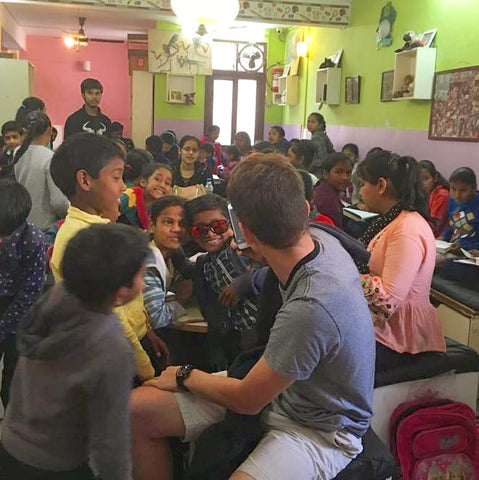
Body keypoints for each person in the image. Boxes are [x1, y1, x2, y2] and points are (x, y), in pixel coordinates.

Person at [130, 154, 375, 480]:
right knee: (135, 411)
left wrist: (184, 374)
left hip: (321, 428)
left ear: (243, 231)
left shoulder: (311, 305)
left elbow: (247, 399)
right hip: (281, 391)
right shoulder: (320, 238)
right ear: (304, 208)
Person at [0, 223, 149, 480]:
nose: (144, 281)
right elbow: (111, 439)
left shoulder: (57, 294)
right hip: (56, 464)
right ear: (120, 290)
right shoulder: (112, 346)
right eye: (141, 274)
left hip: (11, 443)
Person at [49, 133, 168, 382]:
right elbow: (115, 320)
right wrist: (147, 372)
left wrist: (146, 331)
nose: (124, 187)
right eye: (116, 177)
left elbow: (127, 306)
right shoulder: (85, 240)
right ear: (85, 180)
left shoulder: (100, 226)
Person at [356, 150, 446, 372]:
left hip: (402, 339)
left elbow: (387, 298)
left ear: (381, 185)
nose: (360, 191)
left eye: (362, 184)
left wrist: (343, 275)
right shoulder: (393, 221)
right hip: (388, 328)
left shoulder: (406, 229)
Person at [186, 194, 259, 367]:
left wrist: (246, 282)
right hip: (237, 340)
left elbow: (279, 273)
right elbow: (212, 313)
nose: (210, 234)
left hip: (268, 331)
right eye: (200, 230)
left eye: (219, 226)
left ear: (231, 223)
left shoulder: (247, 249)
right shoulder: (204, 264)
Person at [0, 180, 46, 408]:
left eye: (5, 236)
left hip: (18, 309)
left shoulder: (33, 240)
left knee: (13, 378)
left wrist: (3, 328)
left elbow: (30, 292)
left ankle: (11, 429)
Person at [11, 111, 69, 230]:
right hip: (46, 227)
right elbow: (58, 203)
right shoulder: (49, 157)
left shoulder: (18, 152)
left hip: (24, 225)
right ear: (50, 130)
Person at [143, 196, 191, 330]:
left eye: (182, 223)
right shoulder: (149, 262)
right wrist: (180, 301)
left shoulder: (173, 255)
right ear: (152, 225)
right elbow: (157, 319)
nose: (176, 229)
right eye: (168, 222)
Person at [119, 154, 173, 230]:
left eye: (167, 183)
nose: (162, 185)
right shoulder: (129, 196)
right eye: (157, 179)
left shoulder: (160, 209)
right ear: (143, 182)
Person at [438, 167, 479, 251]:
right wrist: (442, 237)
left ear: (474, 189)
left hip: (471, 253)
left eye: (463, 190)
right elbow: (453, 225)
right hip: (453, 247)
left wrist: (465, 246)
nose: (457, 195)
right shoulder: (452, 200)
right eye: (453, 189)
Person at [313, 152, 352, 229]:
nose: (345, 178)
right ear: (325, 174)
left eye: (348, 173)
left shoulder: (321, 189)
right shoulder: (328, 201)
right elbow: (337, 234)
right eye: (338, 172)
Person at [418, 160, 449, 237]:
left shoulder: (442, 195)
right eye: (418, 179)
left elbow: (434, 225)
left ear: (435, 178)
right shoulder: (419, 194)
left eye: (426, 178)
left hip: (437, 239)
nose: (422, 183)